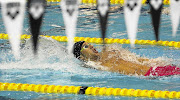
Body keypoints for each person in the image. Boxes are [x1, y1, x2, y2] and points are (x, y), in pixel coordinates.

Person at [73, 41, 180, 76]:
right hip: (150, 75)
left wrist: (157, 62)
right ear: (81, 56)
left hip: (157, 69)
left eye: (90, 44)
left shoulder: (110, 51)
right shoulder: (94, 66)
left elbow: (138, 59)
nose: (91, 46)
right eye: (86, 47)